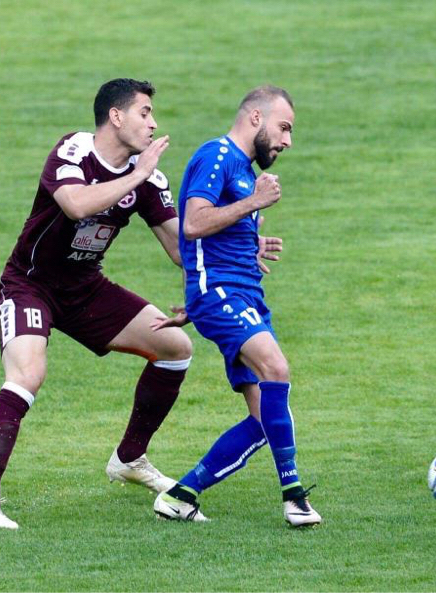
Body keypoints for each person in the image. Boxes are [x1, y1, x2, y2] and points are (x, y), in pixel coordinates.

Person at [0, 79, 194, 530]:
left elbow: (181, 247)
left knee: (176, 348)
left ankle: (129, 458)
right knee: (28, 374)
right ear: (116, 116)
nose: (153, 123)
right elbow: (74, 204)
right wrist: (137, 175)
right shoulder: (74, 151)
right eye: (145, 112)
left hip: (85, 289)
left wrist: (237, 251)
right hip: (30, 285)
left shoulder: (147, 178)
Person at [152, 85, 321, 527]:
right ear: (255, 118)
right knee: (277, 370)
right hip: (223, 296)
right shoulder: (218, 155)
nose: (287, 141)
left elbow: (213, 241)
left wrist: (252, 242)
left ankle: (181, 494)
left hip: (240, 297)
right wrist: (254, 203)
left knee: (267, 417)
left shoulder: (243, 170)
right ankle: (294, 498)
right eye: (283, 127)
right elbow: (192, 223)